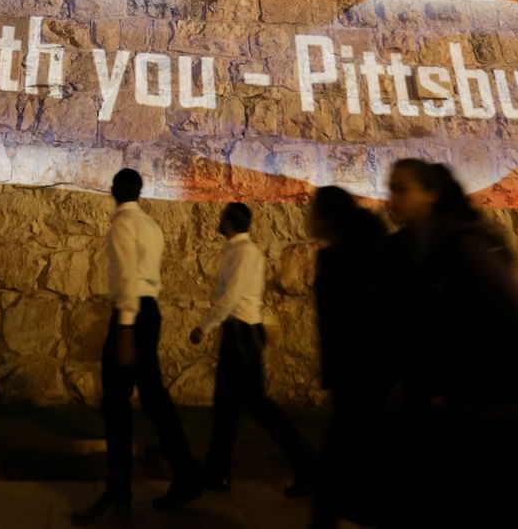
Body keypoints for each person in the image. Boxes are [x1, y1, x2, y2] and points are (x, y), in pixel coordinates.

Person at [387, 157, 518, 529]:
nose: (392, 199)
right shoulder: (415, 251)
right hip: (462, 411)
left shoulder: (463, 246)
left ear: (431, 195)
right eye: (391, 189)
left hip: (504, 411)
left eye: (402, 189)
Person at [72, 168, 200, 526]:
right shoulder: (151, 226)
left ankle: (119, 493)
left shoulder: (122, 225)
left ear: (114, 190)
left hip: (131, 316)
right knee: (155, 399)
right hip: (150, 312)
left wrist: (125, 329)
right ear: (140, 192)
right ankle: (186, 474)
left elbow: (126, 275)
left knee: (115, 405)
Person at [189, 201, 316, 496]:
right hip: (240, 334)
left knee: (255, 407)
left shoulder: (243, 253)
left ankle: (306, 464)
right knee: (228, 408)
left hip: (242, 334)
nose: (218, 221)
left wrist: (205, 326)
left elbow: (232, 296)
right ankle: (217, 471)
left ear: (229, 223)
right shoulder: (240, 251)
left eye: (222, 218)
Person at [307, 184, 401, 529]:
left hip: (358, 379)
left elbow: (348, 322)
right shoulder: (373, 251)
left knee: (339, 472)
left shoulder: (338, 259)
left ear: (327, 218)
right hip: (371, 377)